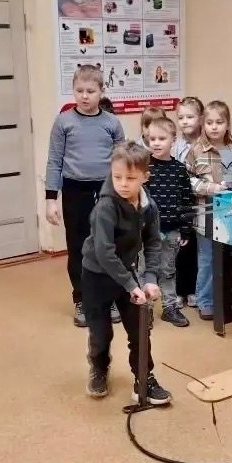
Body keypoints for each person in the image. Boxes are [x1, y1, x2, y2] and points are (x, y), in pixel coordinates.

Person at [80, 142, 172, 404]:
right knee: (101, 333)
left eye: (130, 178)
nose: (122, 184)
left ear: (145, 176)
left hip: (126, 272)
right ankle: (99, 367)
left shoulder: (148, 205)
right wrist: (132, 285)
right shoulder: (106, 207)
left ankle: (144, 378)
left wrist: (150, 279)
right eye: (117, 176)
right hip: (96, 275)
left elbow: (153, 242)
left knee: (139, 330)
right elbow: (105, 253)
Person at [45, 65, 126, 328]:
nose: (84, 96)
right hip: (74, 191)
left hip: (106, 191)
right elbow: (54, 160)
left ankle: (109, 298)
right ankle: (82, 299)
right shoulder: (63, 122)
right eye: (79, 90)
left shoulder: (112, 123)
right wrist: (50, 199)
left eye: (90, 91)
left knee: (107, 246)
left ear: (102, 91)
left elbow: (121, 161)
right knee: (79, 247)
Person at [185, 100, 232, 321]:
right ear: (203, 124)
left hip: (231, 214)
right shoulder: (196, 150)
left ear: (227, 124)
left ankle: (226, 292)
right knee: (208, 259)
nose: (214, 127)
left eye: (219, 122)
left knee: (229, 255)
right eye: (209, 122)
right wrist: (212, 188)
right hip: (207, 214)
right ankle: (206, 300)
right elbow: (187, 181)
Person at [145, 117, 193, 327]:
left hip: (172, 229)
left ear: (173, 140)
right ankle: (144, 309)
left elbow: (186, 201)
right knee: (145, 270)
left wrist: (186, 229)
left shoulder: (179, 169)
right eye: (152, 139)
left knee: (168, 269)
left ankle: (170, 307)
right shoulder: (144, 167)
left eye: (161, 138)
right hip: (146, 232)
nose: (156, 143)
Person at [174, 96, 204, 309]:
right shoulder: (176, 145)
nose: (185, 121)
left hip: (201, 201)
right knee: (181, 246)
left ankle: (194, 289)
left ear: (201, 118)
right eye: (181, 117)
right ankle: (180, 290)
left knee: (196, 247)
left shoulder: (205, 144)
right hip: (182, 201)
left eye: (190, 117)